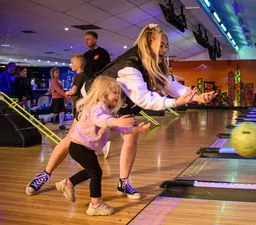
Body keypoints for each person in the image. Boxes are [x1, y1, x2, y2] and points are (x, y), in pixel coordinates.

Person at [26, 23, 216, 199]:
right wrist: (175, 103)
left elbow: (169, 84)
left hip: (121, 103)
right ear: (149, 43)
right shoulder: (130, 66)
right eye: (161, 45)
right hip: (96, 100)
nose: (164, 50)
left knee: (131, 138)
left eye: (166, 46)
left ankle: (123, 183)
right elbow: (144, 99)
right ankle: (44, 174)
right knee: (71, 140)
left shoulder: (151, 63)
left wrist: (196, 97)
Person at [55, 76, 150, 216]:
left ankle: (67, 183)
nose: (118, 96)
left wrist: (134, 130)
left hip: (84, 147)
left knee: (91, 171)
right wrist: (116, 122)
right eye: (114, 93)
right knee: (96, 173)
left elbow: (113, 127)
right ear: (103, 92)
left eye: (119, 93)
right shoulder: (97, 107)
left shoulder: (105, 109)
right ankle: (95, 205)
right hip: (79, 147)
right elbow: (102, 120)